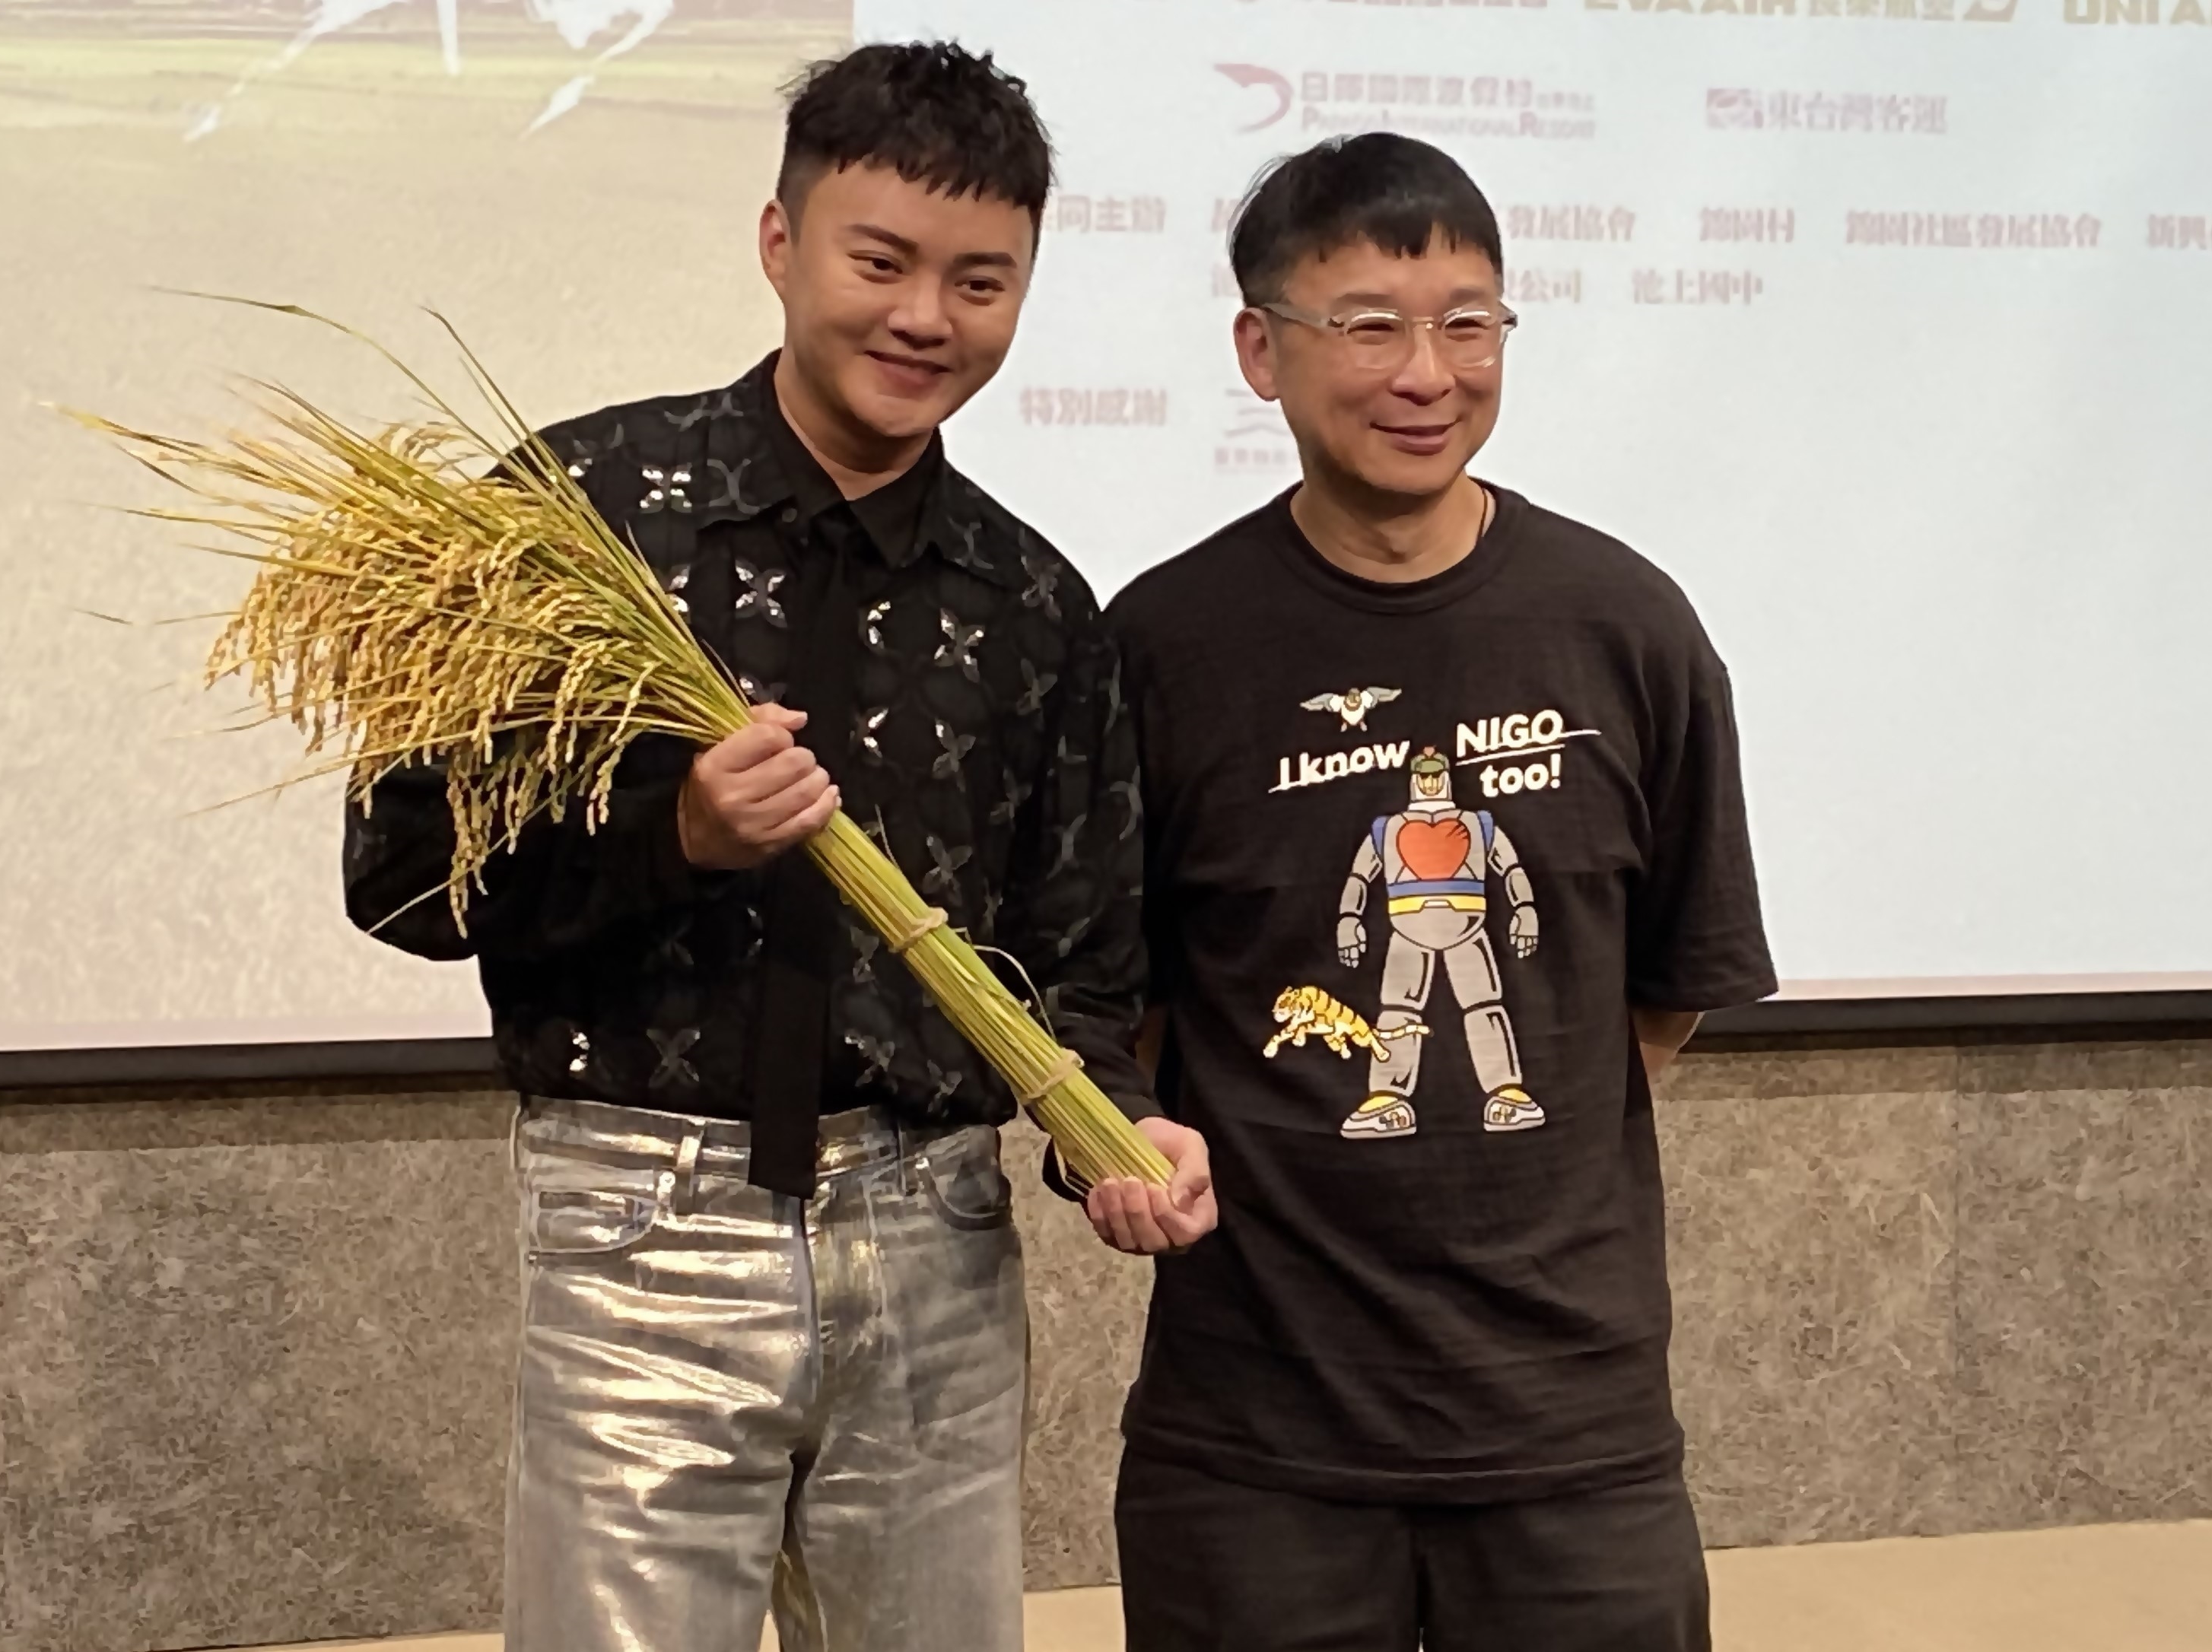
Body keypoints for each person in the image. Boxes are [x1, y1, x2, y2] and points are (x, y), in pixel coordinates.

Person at [342, 43, 1216, 1652]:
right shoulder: (580, 510)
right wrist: (674, 832)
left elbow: (1081, 969)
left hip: (937, 1245)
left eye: (979, 281)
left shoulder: (1034, 607)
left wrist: (1115, 1129)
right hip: (637, 1231)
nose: (922, 319)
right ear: (778, 243)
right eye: (876, 262)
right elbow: (398, 875)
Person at [1097, 132, 1778, 1651]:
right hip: (1254, 1431)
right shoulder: (1161, 646)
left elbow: (1664, 985)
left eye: (1467, 324)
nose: (1426, 371)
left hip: (1569, 1428)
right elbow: (1121, 1000)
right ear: (1258, 349)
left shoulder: (1623, 627)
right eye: (1368, 325)